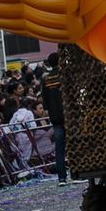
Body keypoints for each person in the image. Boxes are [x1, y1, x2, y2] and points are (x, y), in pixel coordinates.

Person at [44, 52, 68, 185]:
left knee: (59, 148)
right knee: (72, 145)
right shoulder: (63, 76)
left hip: (55, 118)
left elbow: (45, 100)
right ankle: (76, 175)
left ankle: (62, 178)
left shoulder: (46, 79)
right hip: (67, 116)